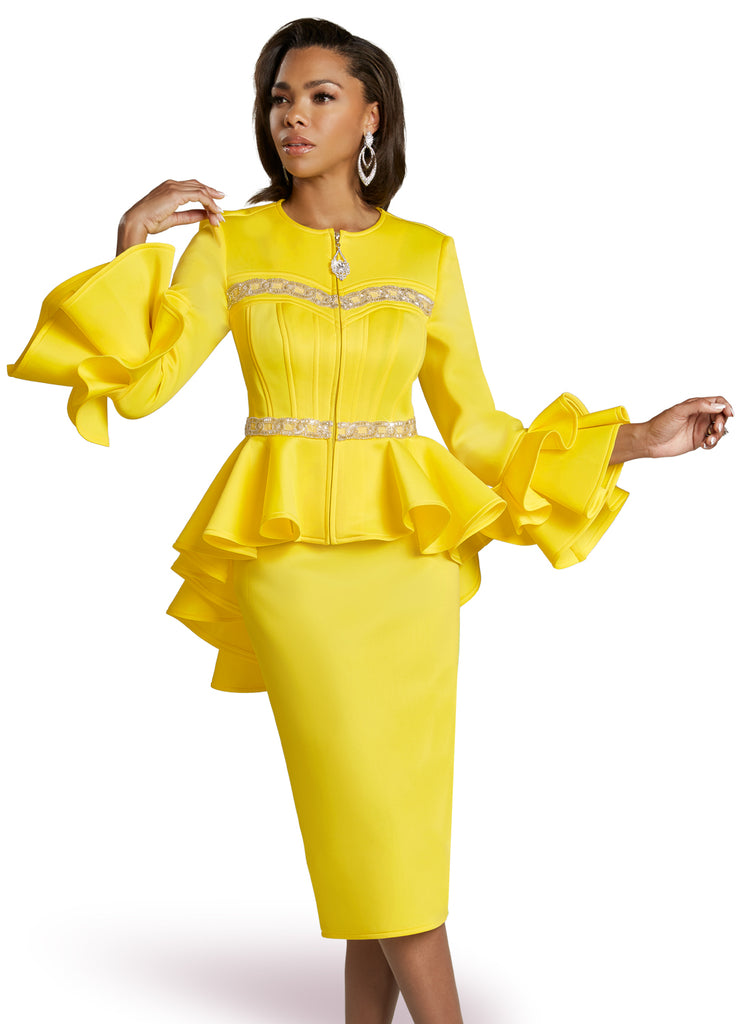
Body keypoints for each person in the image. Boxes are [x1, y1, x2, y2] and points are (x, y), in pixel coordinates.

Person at [7, 16, 732, 1024]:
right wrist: (130, 245)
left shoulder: (427, 254)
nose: (292, 118)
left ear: (371, 116)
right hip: (289, 562)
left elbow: (475, 428)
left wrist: (633, 441)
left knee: (387, 829)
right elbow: (141, 388)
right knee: (364, 811)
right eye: (280, 98)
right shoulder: (231, 244)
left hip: (410, 569)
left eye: (319, 96)